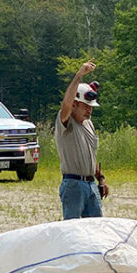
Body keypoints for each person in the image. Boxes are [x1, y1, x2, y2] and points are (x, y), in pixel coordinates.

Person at [55, 61, 109, 219]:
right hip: (73, 185)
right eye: (86, 106)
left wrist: (101, 178)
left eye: (91, 106)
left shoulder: (89, 124)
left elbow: (90, 155)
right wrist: (79, 75)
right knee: (73, 231)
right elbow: (65, 103)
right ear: (74, 105)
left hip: (91, 184)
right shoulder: (65, 121)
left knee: (95, 229)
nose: (90, 110)